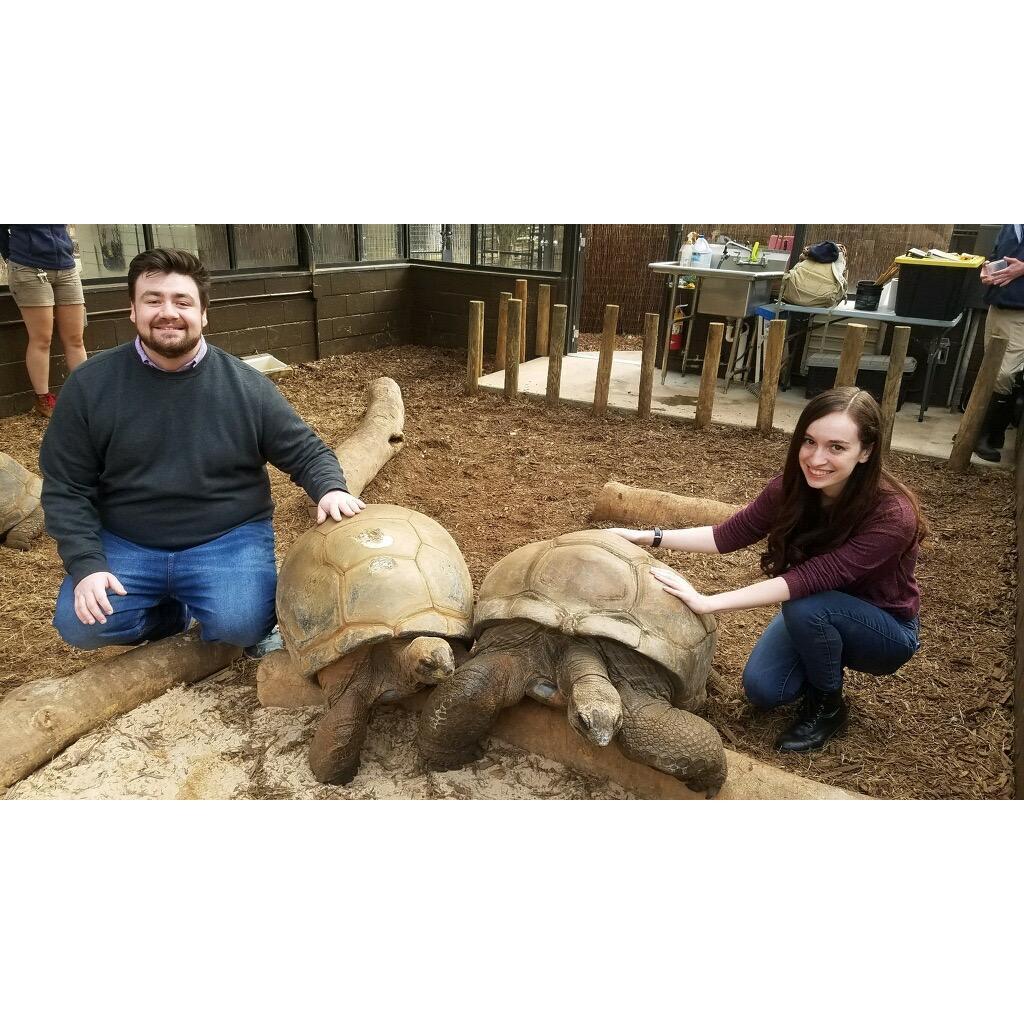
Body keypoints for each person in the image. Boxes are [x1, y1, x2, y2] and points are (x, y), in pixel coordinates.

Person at [39, 247, 363, 657]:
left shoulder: (246, 387)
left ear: (204, 313)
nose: (167, 312)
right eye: (153, 300)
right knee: (80, 626)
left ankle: (225, 603)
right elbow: (66, 486)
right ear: (133, 311)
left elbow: (307, 452)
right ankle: (171, 616)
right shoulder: (90, 386)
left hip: (225, 537)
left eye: (182, 301)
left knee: (243, 625)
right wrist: (87, 565)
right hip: (128, 541)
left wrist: (330, 489)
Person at [609, 387, 926, 753]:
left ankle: (828, 708)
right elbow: (729, 534)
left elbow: (811, 579)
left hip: (884, 631)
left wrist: (708, 602)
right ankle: (821, 655)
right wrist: (646, 536)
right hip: (819, 611)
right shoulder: (792, 488)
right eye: (809, 441)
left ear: (866, 451)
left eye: (837, 447)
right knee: (764, 689)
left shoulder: (892, 514)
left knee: (805, 605)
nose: (816, 458)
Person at [0, 224, 88, 417]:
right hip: (28, 268)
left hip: (67, 267)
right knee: (42, 339)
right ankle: (43, 399)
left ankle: (86, 394)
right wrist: (11, 256)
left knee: (75, 339)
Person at [972, 225, 1024, 463]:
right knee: (989, 370)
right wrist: (988, 270)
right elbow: (997, 257)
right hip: (998, 305)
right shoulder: (1010, 225)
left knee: (1003, 374)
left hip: (1019, 313)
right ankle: (991, 434)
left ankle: (983, 435)